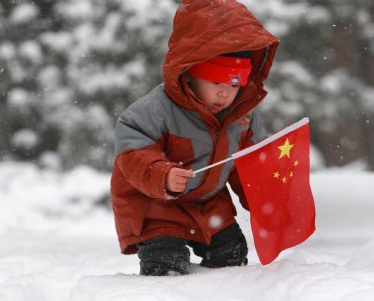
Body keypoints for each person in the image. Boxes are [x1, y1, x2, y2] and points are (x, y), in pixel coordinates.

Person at [111, 0, 279, 276]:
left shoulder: (241, 117)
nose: (225, 94)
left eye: (235, 85)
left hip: (208, 203)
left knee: (231, 256)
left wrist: (266, 198)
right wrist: (163, 176)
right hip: (155, 204)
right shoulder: (154, 111)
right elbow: (132, 155)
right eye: (216, 83)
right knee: (166, 262)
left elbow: (251, 165)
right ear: (190, 74)